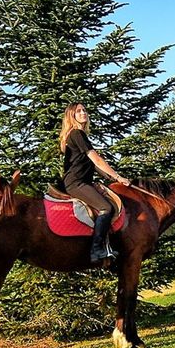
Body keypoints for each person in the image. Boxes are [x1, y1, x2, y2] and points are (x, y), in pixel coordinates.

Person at [59, 102, 126, 263]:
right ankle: (96, 250)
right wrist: (118, 177)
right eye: (78, 111)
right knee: (106, 208)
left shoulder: (79, 135)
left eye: (84, 110)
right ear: (72, 116)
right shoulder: (77, 134)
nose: (83, 113)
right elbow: (96, 159)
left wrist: (110, 177)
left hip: (82, 181)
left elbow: (93, 165)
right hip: (76, 183)